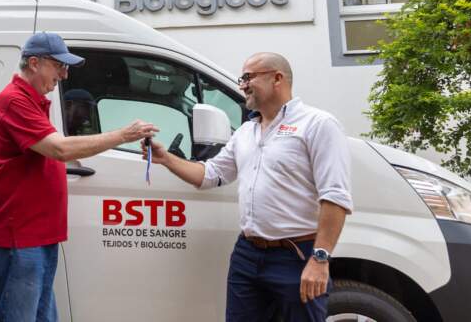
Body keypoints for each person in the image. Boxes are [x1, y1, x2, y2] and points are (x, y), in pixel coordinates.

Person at [142, 52, 352, 322]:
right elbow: (211, 175)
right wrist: (165, 159)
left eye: (248, 77)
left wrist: (320, 259)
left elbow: (334, 196)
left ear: (277, 78)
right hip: (247, 254)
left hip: (296, 256)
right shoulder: (245, 132)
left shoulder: (318, 124)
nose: (242, 85)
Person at [0, 32, 158, 322]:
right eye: (59, 66)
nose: (64, 75)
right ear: (34, 63)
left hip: (36, 235)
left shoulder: (34, 100)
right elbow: (59, 149)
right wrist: (122, 135)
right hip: (20, 236)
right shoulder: (14, 101)